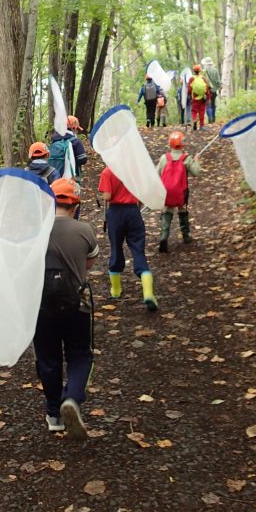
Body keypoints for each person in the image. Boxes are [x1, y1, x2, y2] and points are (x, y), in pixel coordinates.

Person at [34, 178, 99, 440]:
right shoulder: (84, 230)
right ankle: (71, 397)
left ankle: (53, 415)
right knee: (80, 354)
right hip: (76, 305)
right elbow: (89, 265)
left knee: (48, 359)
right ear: (76, 205)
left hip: (40, 306)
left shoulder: (35, 231)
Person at [97, 165, 157, 311]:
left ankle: (116, 291)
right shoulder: (134, 170)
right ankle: (148, 293)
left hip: (115, 214)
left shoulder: (107, 171)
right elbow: (141, 196)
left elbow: (107, 197)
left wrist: (102, 196)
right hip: (133, 212)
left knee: (116, 248)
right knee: (138, 250)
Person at [156, 131, 200, 253]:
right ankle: (186, 236)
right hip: (181, 192)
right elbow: (197, 172)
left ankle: (164, 237)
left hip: (167, 192)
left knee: (167, 211)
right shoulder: (186, 158)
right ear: (183, 144)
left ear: (170, 144)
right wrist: (196, 161)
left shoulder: (164, 158)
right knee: (182, 210)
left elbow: (156, 174)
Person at [48, 116, 88, 180]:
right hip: (71, 178)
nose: (77, 131)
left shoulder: (54, 140)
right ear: (74, 128)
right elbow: (83, 160)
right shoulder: (76, 141)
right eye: (77, 128)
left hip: (54, 177)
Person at [187, 64, 210, 130]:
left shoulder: (191, 78)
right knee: (201, 111)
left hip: (194, 98)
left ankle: (194, 120)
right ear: (199, 71)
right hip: (202, 98)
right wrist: (208, 97)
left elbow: (189, 89)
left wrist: (189, 95)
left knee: (194, 111)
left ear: (193, 71)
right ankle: (201, 126)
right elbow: (207, 88)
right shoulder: (203, 78)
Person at [201, 57, 221, 123]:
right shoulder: (215, 70)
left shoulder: (203, 71)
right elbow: (218, 81)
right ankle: (213, 118)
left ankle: (210, 118)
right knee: (213, 104)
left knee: (208, 105)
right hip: (214, 90)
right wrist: (219, 87)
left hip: (206, 90)